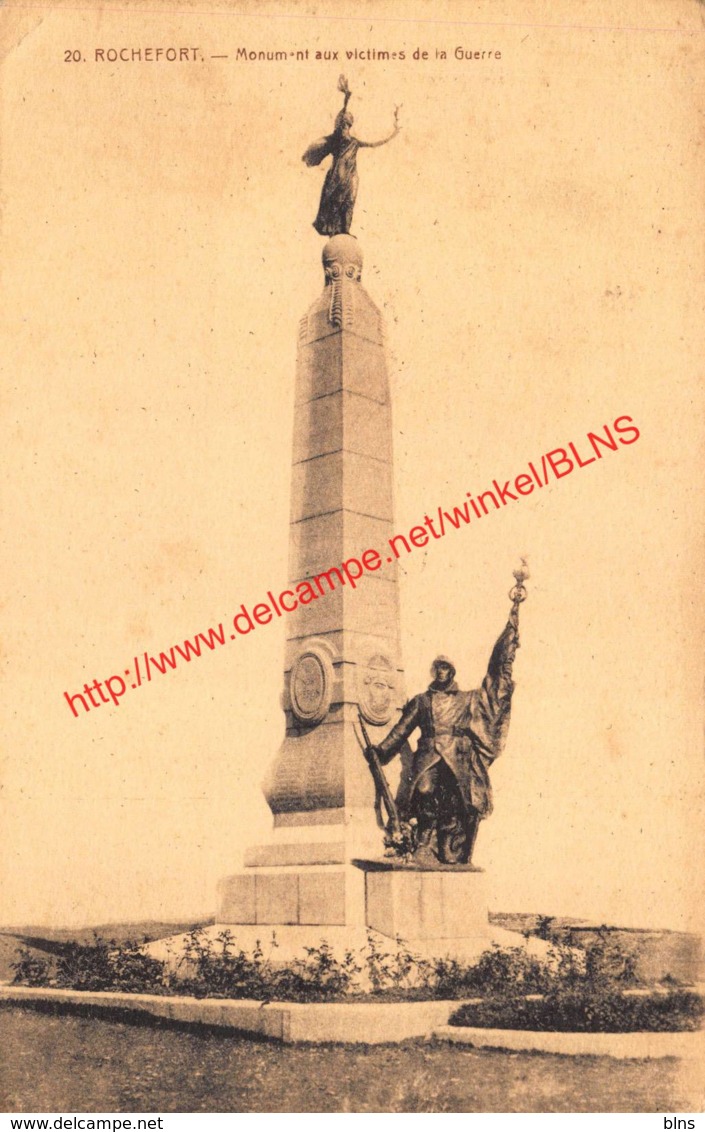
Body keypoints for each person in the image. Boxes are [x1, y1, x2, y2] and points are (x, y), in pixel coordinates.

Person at [365, 609, 521, 865]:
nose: (441, 672)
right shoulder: (422, 700)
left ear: (452, 672)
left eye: (445, 668)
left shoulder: (466, 700)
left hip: (455, 759)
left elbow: (491, 693)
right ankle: (423, 838)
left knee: (455, 801)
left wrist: (504, 664)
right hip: (428, 756)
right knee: (424, 789)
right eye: (438, 668)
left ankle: (445, 847)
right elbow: (402, 729)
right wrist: (382, 750)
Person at [303, 75, 400, 236]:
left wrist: (392, 134)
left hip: (351, 173)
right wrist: (346, 98)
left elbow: (375, 143)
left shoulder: (355, 142)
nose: (345, 126)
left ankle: (344, 230)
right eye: (344, 124)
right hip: (339, 172)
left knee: (349, 199)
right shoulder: (339, 137)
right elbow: (342, 117)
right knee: (339, 199)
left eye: (347, 124)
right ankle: (336, 230)